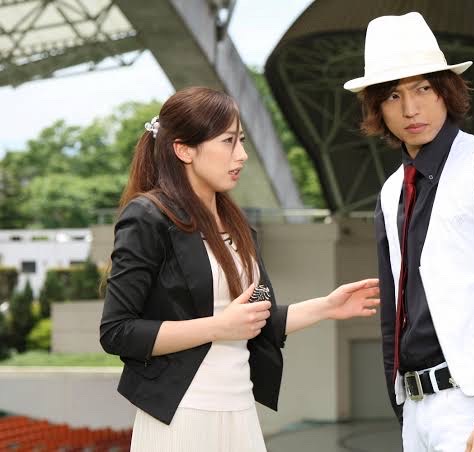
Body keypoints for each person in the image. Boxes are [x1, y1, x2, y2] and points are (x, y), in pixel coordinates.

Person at [99, 86, 380, 451]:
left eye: (242, 140)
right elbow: (117, 331)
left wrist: (326, 307)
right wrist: (220, 326)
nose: (242, 155)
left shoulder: (237, 223)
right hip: (182, 415)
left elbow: (254, 320)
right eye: (228, 141)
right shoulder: (148, 216)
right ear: (184, 149)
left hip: (240, 410)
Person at [344, 12, 474, 452]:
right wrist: (403, 409)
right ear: (378, 108)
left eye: (423, 88)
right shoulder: (390, 192)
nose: (410, 109)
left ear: (446, 90)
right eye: (393, 95)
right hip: (416, 409)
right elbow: (394, 314)